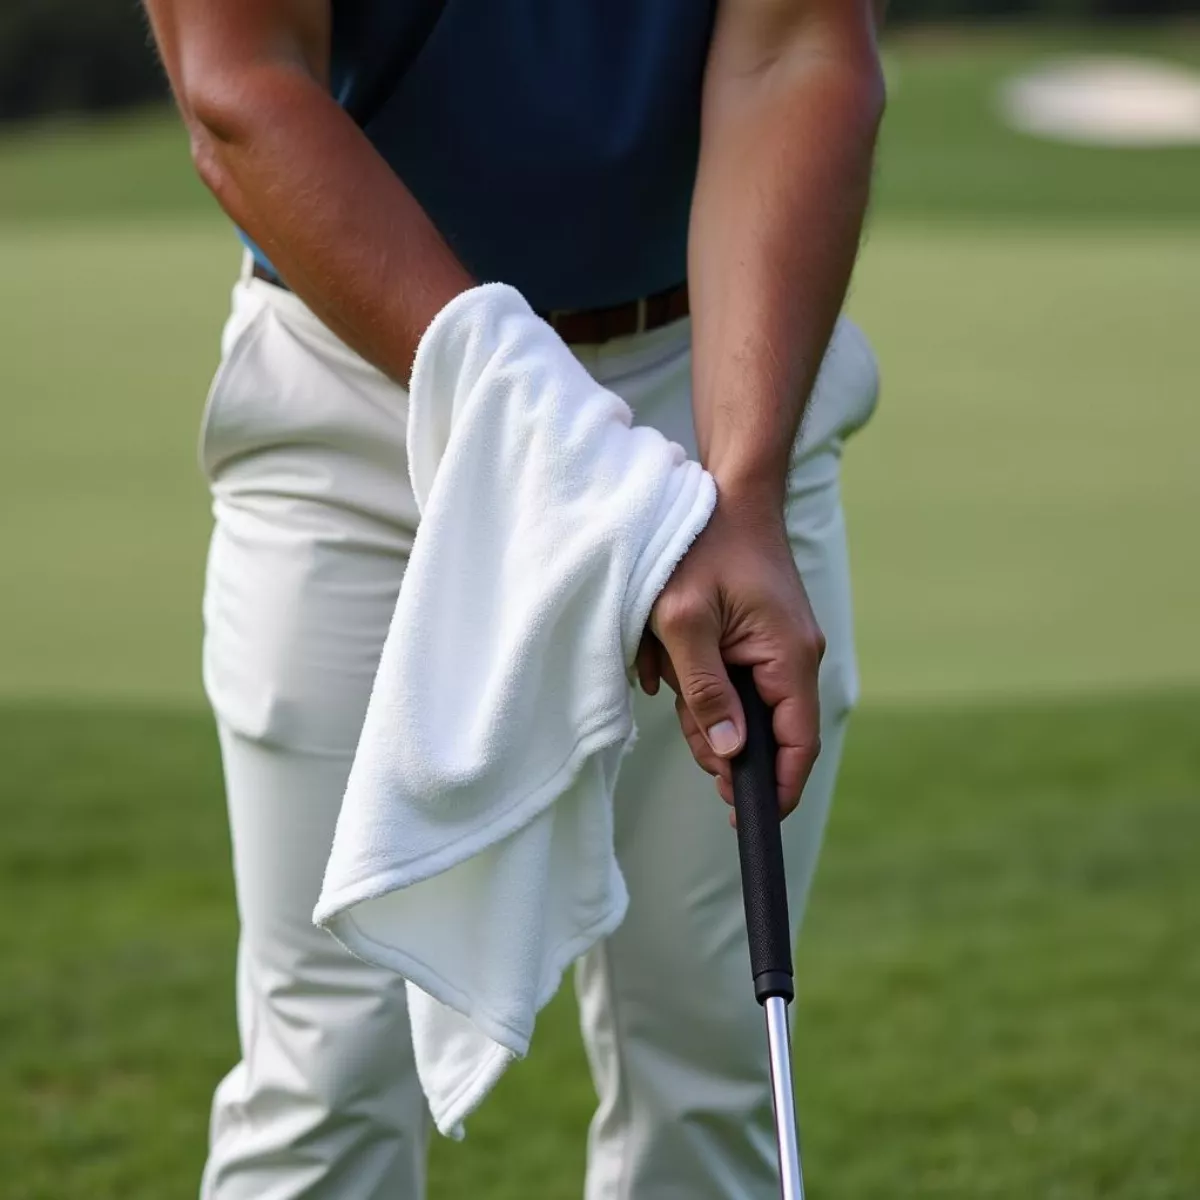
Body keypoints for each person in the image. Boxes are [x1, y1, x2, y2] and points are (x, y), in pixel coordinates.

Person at [144, 1, 886, 1196]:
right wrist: (571, 456)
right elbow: (239, 89)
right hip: (363, 397)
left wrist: (738, 488)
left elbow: (794, 46)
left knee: (711, 1069)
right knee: (324, 1082)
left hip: (714, 385)